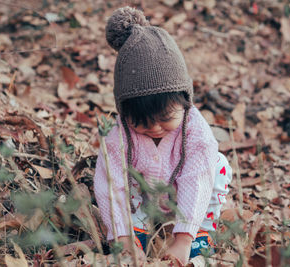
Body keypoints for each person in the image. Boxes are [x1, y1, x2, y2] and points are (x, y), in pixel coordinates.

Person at [93, 6, 232, 265]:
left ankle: (201, 231)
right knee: (123, 179)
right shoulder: (118, 136)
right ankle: (136, 231)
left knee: (218, 167)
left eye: (166, 119)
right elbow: (111, 185)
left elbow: (196, 180)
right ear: (124, 114)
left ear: (184, 102)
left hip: (186, 196)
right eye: (142, 123)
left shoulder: (195, 131)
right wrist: (120, 236)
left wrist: (184, 238)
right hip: (144, 198)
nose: (155, 128)